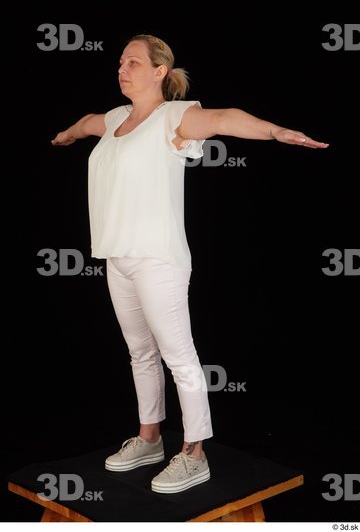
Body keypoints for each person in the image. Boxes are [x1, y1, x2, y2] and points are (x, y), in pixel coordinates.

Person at [51, 34, 329, 494]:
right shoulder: (117, 118)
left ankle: (195, 453)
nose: (123, 69)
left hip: (158, 259)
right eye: (120, 62)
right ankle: (149, 438)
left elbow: (225, 118)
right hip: (116, 257)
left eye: (134, 63)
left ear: (160, 72)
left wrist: (276, 131)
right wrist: (66, 134)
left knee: (179, 357)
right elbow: (86, 123)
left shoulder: (173, 117)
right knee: (140, 354)